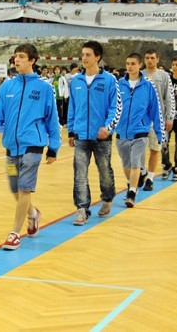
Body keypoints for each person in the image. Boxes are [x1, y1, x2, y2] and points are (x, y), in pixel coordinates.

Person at [0, 43, 61, 250]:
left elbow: (53, 119)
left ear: (32, 60)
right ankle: (33, 214)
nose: (17, 60)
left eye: (22, 57)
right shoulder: (7, 86)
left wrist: (53, 147)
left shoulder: (44, 88)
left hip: (33, 146)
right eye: (15, 56)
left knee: (25, 188)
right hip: (10, 147)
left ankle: (15, 232)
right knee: (15, 190)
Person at [67, 41, 121, 225]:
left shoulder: (109, 80)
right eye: (82, 54)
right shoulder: (76, 81)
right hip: (81, 135)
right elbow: (72, 107)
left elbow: (116, 107)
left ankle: (107, 198)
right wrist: (72, 131)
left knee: (104, 171)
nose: (84, 58)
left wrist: (108, 127)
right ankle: (82, 209)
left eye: (88, 55)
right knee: (80, 174)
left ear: (97, 57)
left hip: (102, 137)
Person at [108, 53, 163, 208]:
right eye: (127, 63)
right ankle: (136, 179)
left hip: (140, 131)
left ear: (140, 65)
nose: (130, 66)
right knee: (127, 164)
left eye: (133, 63)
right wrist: (109, 127)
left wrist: (159, 133)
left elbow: (155, 110)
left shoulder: (148, 86)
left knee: (135, 164)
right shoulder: (119, 85)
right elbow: (111, 107)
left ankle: (131, 192)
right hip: (121, 133)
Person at [140, 49, 175, 191]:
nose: (150, 60)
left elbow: (169, 98)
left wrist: (169, 118)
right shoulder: (139, 75)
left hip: (157, 119)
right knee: (138, 149)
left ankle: (150, 177)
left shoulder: (164, 76)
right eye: (147, 58)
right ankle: (141, 172)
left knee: (155, 149)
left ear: (157, 59)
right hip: (141, 119)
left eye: (152, 58)